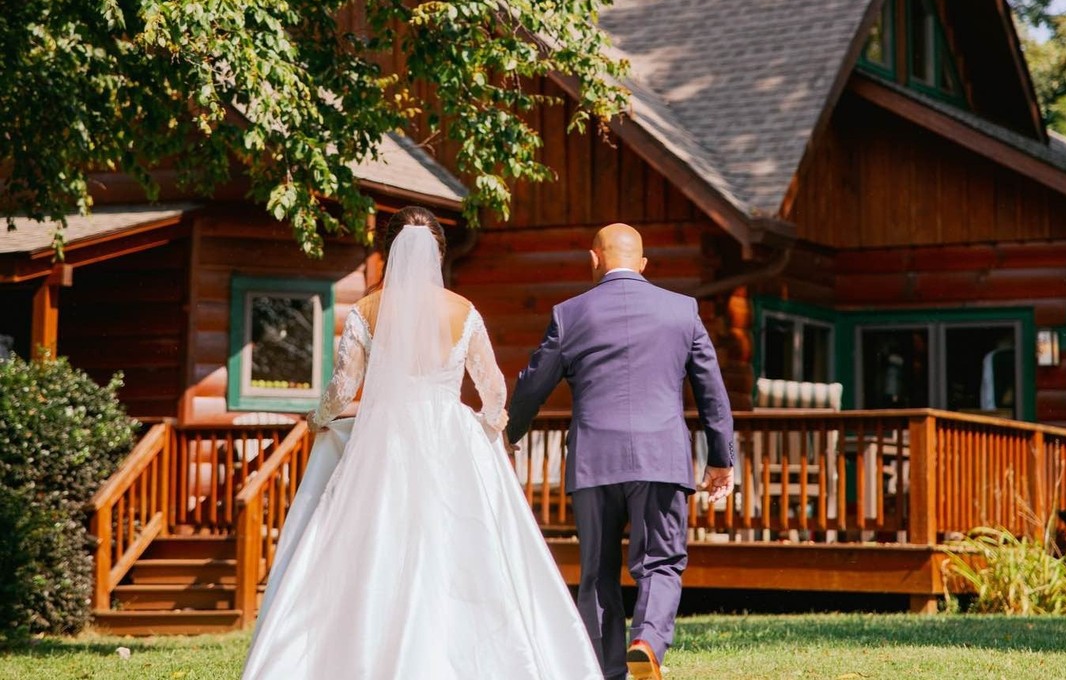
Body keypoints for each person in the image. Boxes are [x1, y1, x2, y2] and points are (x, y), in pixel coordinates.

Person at [242, 206, 602, 680]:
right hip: (447, 437)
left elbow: (344, 386)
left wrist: (319, 417)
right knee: (458, 544)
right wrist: (489, 428)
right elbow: (492, 388)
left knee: (375, 542)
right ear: (437, 252)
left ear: (391, 251)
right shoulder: (463, 310)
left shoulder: (367, 309)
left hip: (382, 440)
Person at [507, 223, 736, 680]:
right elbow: (712, 390)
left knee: (596, 571)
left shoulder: (569, 314)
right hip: (661, 456)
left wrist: (511, 433)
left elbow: (534, 384)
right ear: (643, 264)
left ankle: (606, 669)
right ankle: (647, 642)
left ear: (594, 259)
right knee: (662, 561)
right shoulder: (682, 310)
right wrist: (720, 458)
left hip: (594, 458)